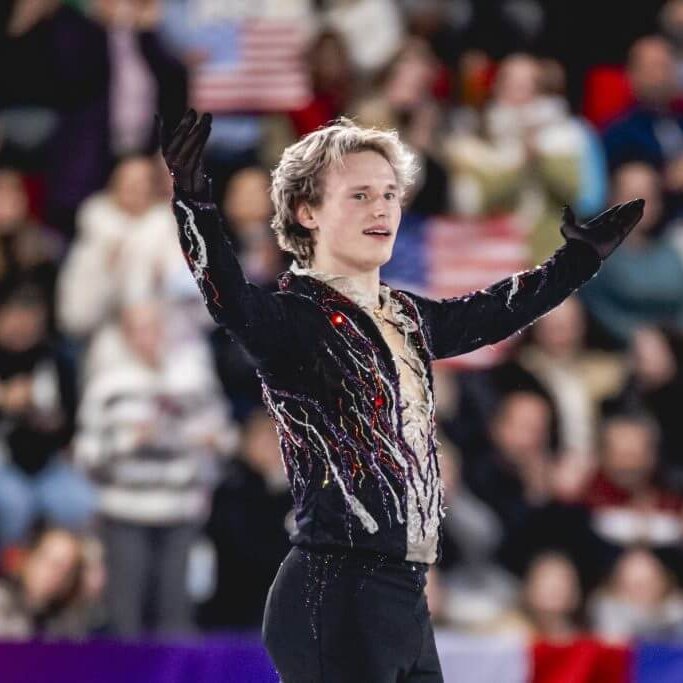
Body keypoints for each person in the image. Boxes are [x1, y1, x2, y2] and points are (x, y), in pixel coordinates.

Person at [160, 108, 644, 683]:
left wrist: (577, 261)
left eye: (389, 194)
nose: (382, 208)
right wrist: (195, 200)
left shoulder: (407, 316)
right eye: (360, 195)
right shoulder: (293, 320)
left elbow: (494, 312)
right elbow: (230, 299)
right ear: (306, 211)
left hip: (404, 594)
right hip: (334, 592)